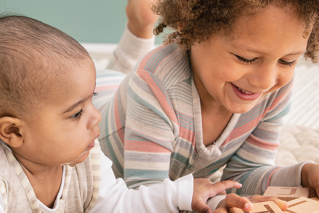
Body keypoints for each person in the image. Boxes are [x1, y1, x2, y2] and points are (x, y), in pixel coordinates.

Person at [0, 14, 254, 213]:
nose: (95, 117)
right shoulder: (5, 179)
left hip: (114, 90)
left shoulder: (87, 157)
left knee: (115, 76)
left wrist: (179, 194)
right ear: (14, 131)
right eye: (76, 114)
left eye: (91, 102)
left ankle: (138, 33)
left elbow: (118, 206)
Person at [97, 0, 319, 212]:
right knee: (111, 77)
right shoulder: (153, 86)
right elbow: (148, 197)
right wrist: (213, 204)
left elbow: (242, 178)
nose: (266, 81)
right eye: (246, 57)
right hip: (97, 97)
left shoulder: (274, 89)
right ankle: (140, 30)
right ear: (191, 25)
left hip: (130, 90)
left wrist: (304, 174)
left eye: (287, 61)